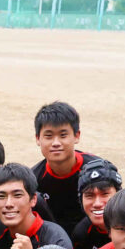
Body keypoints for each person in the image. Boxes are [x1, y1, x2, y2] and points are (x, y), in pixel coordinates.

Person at [30, 101, 104, 236]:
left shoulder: (100, 171)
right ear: (37, 139)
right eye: (48, 136)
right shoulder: (33, 179)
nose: (56, 143)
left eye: (63, 135)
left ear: (77, 136)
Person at [71, 158, 122, 249]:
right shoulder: (82, 234)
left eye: (105, 194)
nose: (97, 203)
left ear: (119, 194)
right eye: (90, 196)